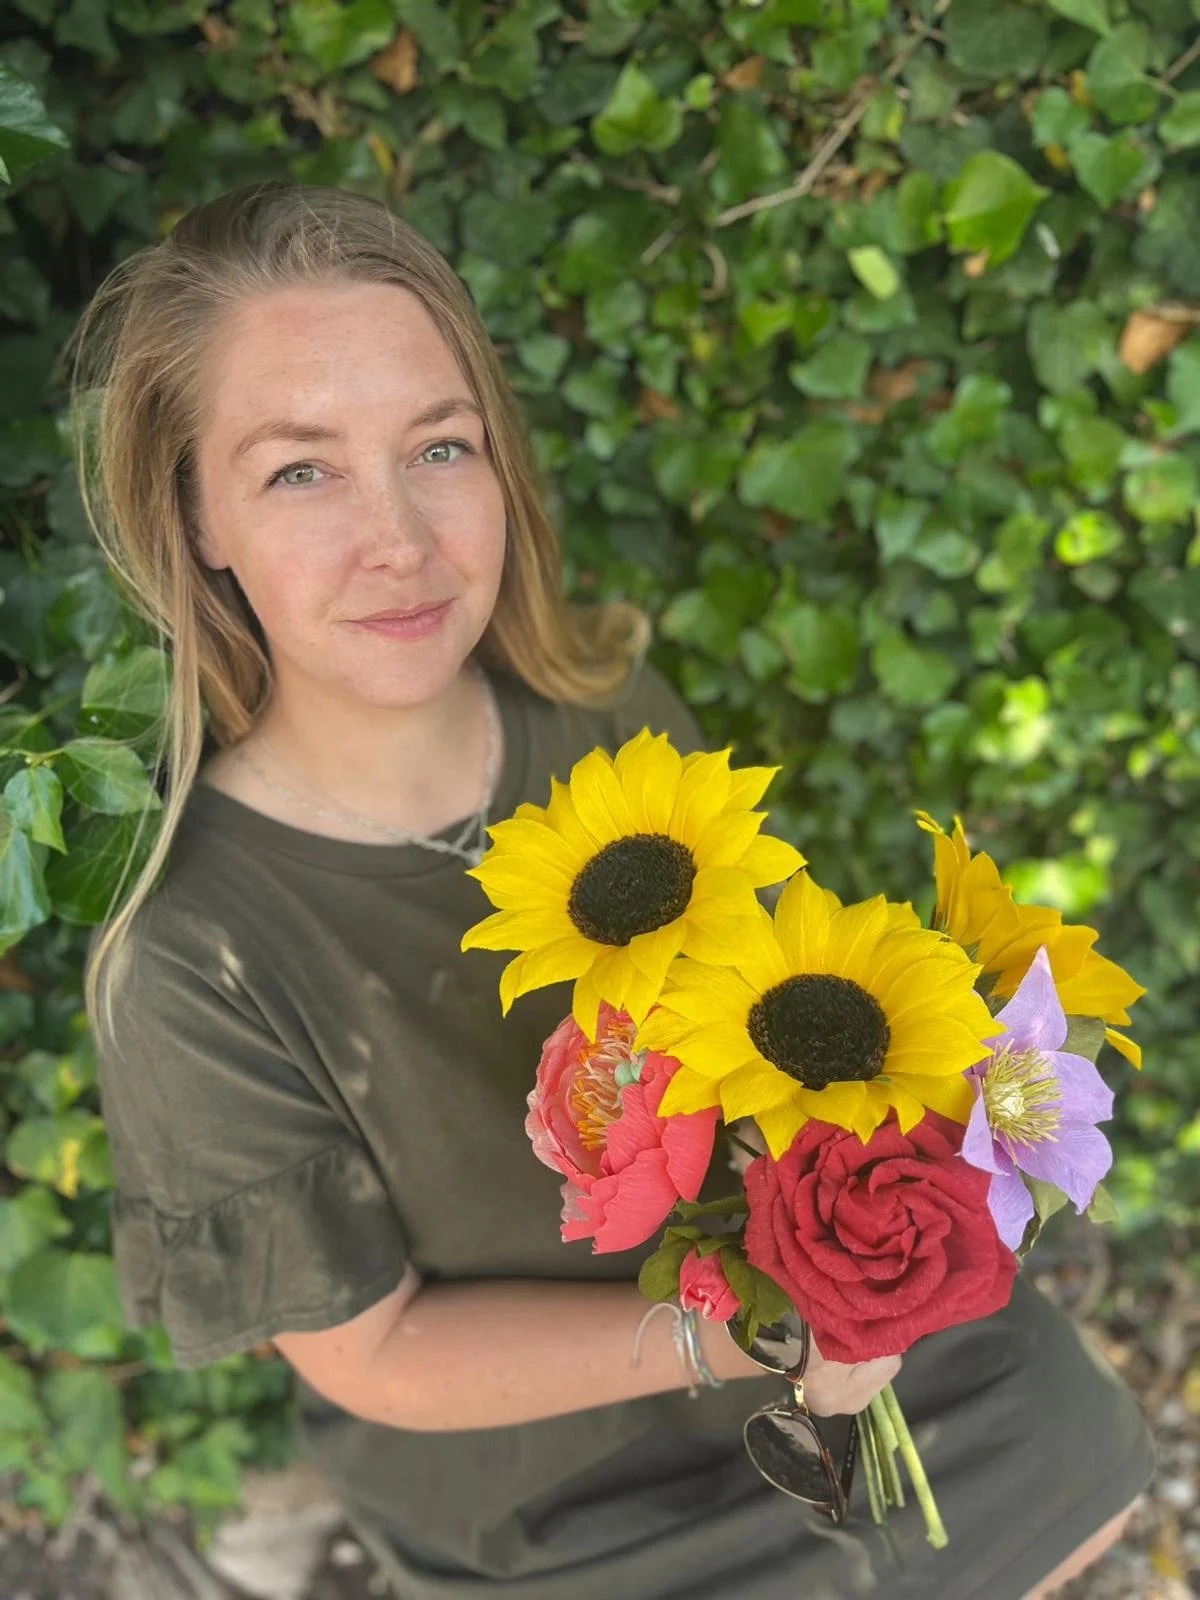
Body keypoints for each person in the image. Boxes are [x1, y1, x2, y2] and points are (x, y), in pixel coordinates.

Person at [73, 180, 1154, 1600]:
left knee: (1085, 1472)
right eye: (299, 471)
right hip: (560, 1480)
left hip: (829, 1340)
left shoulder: (606, 724)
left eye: (437, 447)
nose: (397, 537)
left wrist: (886, 1184)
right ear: (193, 516)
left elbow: (758, 1027)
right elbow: (379, 1354)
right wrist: (763, 1325)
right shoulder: (196, 952)